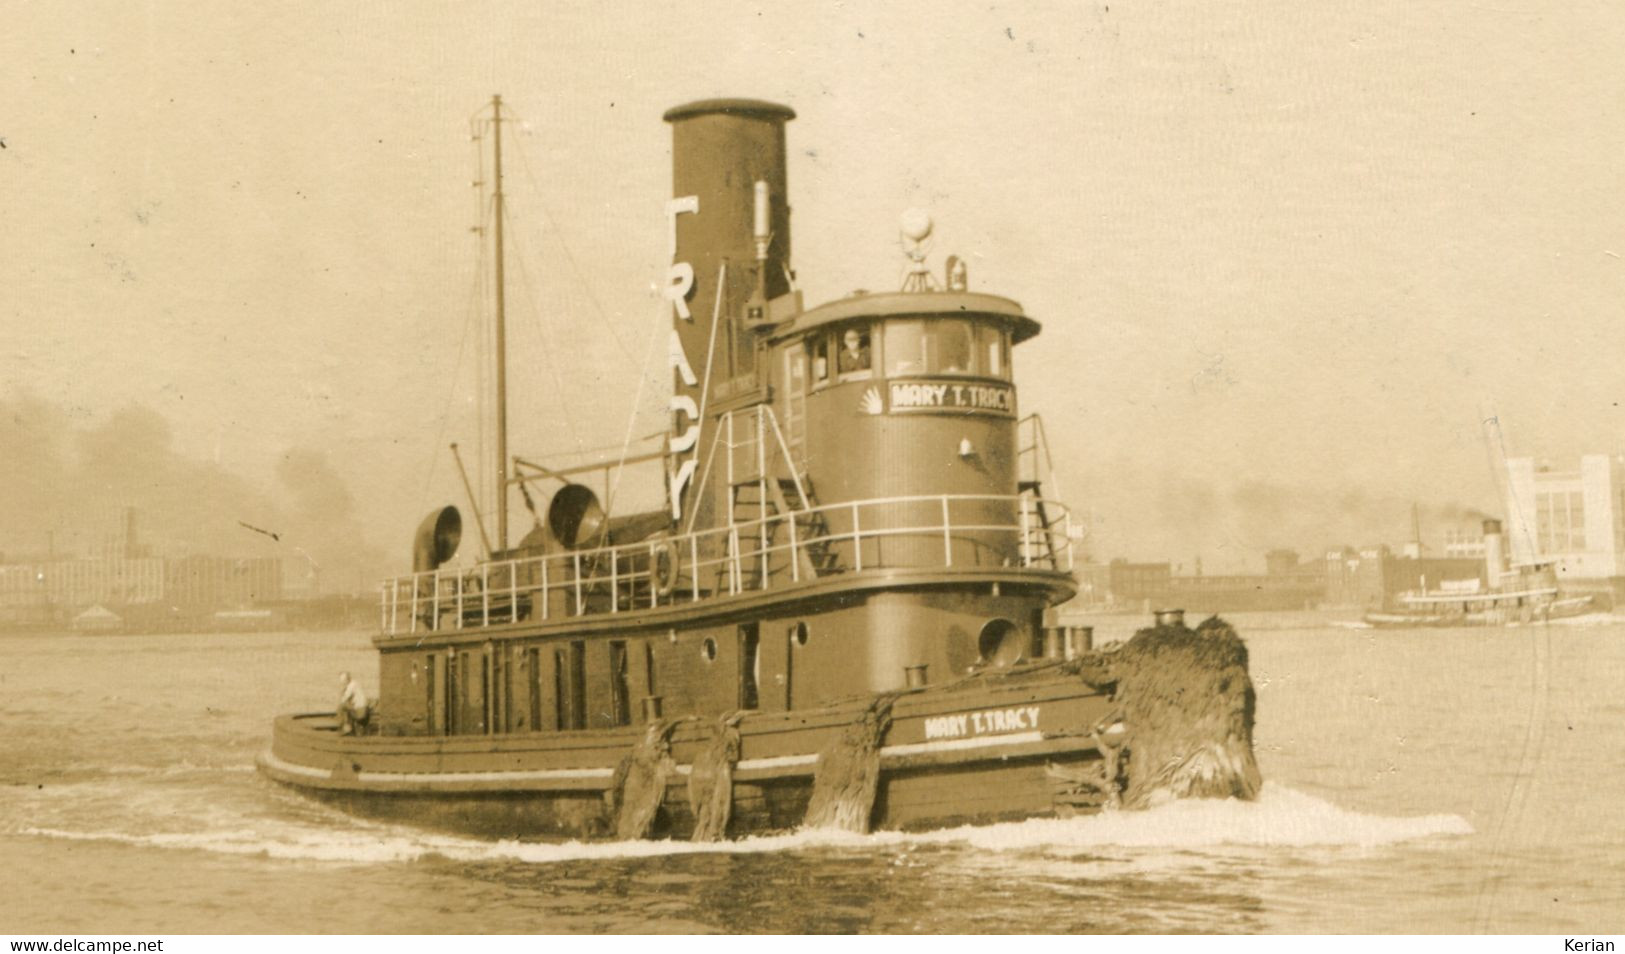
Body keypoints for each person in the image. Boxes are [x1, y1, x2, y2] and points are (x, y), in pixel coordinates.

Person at [337, 670, 371, 736]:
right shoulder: (355, 683)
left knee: (341, 707)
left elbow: (344, 699)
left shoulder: (351, 686)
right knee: (346, 707)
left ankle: (346, 728)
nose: (342, 683)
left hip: (360, 711)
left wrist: (342, 692)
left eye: (343, 681)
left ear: (347, 679)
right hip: (363, 709)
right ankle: (349, 727)